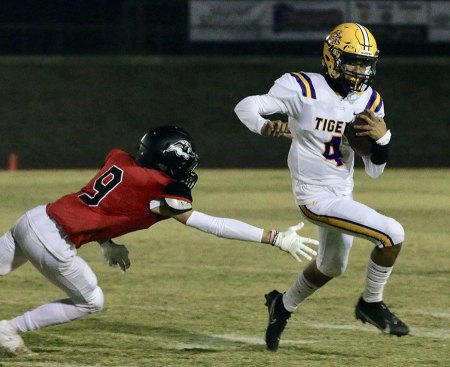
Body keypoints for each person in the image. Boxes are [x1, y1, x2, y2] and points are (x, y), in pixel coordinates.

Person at [0, 125, 319, 356]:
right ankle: (10, 329)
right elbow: (211, 224)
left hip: (33, 218)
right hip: (53, 241)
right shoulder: (162, 189)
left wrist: (107, 241)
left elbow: (104, 205)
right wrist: (273, 237)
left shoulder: (119, 160)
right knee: (91, 301)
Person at [234, 23, 410, 352]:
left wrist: (383, 138)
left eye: (365, 63)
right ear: (331, 58)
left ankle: (281, 306)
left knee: (331, 266)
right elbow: (246, 105)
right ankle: (371, 303)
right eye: (353, 61)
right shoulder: (301, 86)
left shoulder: (370, 99)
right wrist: (262, 125)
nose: (360, 70)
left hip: (341, 193)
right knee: (392, 234)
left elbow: (375, 170)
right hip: (313, 196)